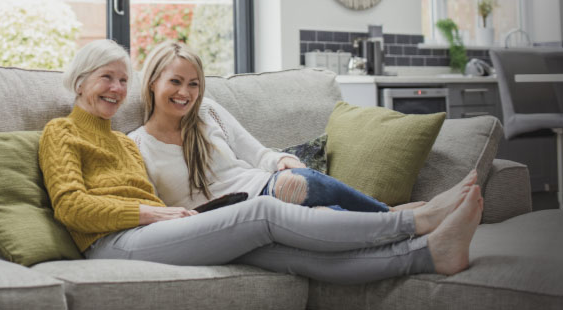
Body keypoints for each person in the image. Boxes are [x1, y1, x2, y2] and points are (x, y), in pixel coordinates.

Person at [39, 39, 483, 285]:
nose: (116, 89)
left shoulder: (122, 143)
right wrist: (152, 212)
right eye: (106, 79)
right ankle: (412, 224)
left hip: (156, 229)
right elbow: (71, 207)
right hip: (115, 240)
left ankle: (427, 256)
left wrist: (159, 214)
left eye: (122, 79)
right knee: (266, 209)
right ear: (80, 82)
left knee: (288, 255)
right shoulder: (61, 132)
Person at [128, 41, 427, 213]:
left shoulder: (207, 111)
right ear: (153, 82)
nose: (185, 93)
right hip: (221, 218)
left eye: (193, 84)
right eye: (175, 82)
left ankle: (394, 218)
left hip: (261, 189)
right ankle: (392, 216)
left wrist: (281, 160)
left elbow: (258, 155)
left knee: (306, 192)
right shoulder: (137, 145)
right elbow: (155, 208)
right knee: (315, 208)